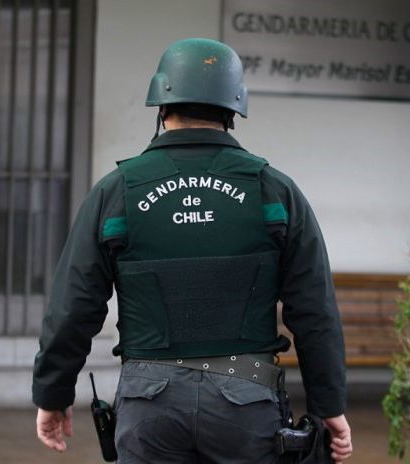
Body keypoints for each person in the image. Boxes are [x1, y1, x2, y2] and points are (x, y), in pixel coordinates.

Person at [33, 37, 352, 464]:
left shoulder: (118, 191)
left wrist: (52, 394)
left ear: (161, 105)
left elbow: (73, 305)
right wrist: (329, 407)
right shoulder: (273, 191)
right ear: (233, 108)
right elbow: (314, 309)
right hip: (247, 403)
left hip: (149, 406)